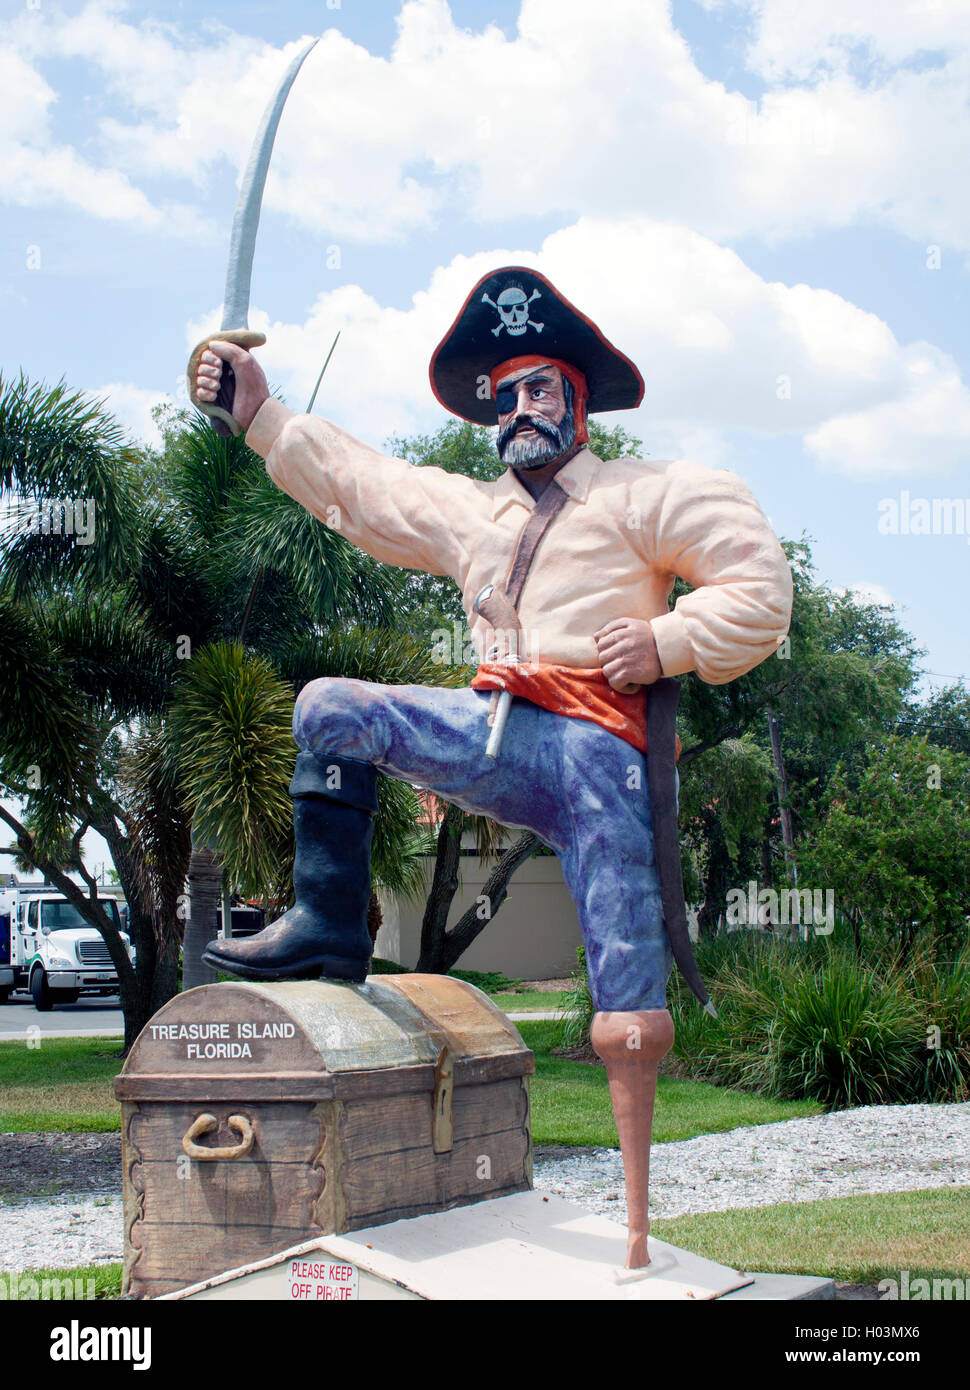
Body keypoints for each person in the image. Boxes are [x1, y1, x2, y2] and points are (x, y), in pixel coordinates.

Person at [192, 265, 793, 1267]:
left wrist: (670, 640)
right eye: (504, 394)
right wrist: (260, 414)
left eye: (540, 388)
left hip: (598, 746)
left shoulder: (652, 492)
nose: (519, 409)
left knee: (626, 988)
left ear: (579, 398)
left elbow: (758, 584)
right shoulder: (475, 512)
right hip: (492, 732)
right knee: (330, 708)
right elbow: (365, 487)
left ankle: (638, 1231)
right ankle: (328, 928)